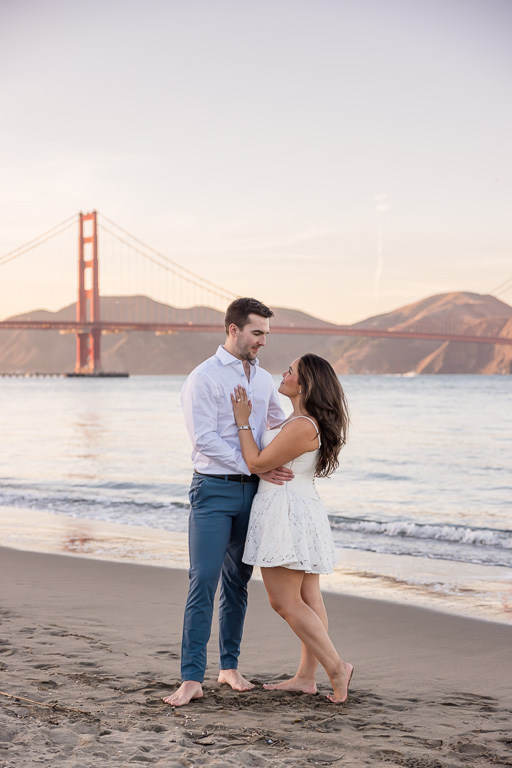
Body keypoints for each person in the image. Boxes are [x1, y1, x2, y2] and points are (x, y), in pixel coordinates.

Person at [163, 298, 291, 708]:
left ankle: (229, 667)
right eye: (257, 333)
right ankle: (190, 678)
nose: (263, 342)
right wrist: (257, 464)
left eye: (267, 335)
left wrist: (312, 426)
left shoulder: (263, 377)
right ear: (233, 330)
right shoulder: (203, 379)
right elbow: (205, 441)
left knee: (238, 582)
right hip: (213, 491)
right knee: (203, 579)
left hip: (253, 493)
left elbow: (278, 422)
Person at [231, 353, 353, 703]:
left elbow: (255, 461)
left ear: (306, 383)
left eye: (291, 370)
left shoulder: (302, 425)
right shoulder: (298, 420)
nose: (283, 374)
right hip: (297, 506)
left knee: (284, 601)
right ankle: (305, 676)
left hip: (285, 511)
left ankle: (336, 667)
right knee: (308, 598)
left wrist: (242, 421)